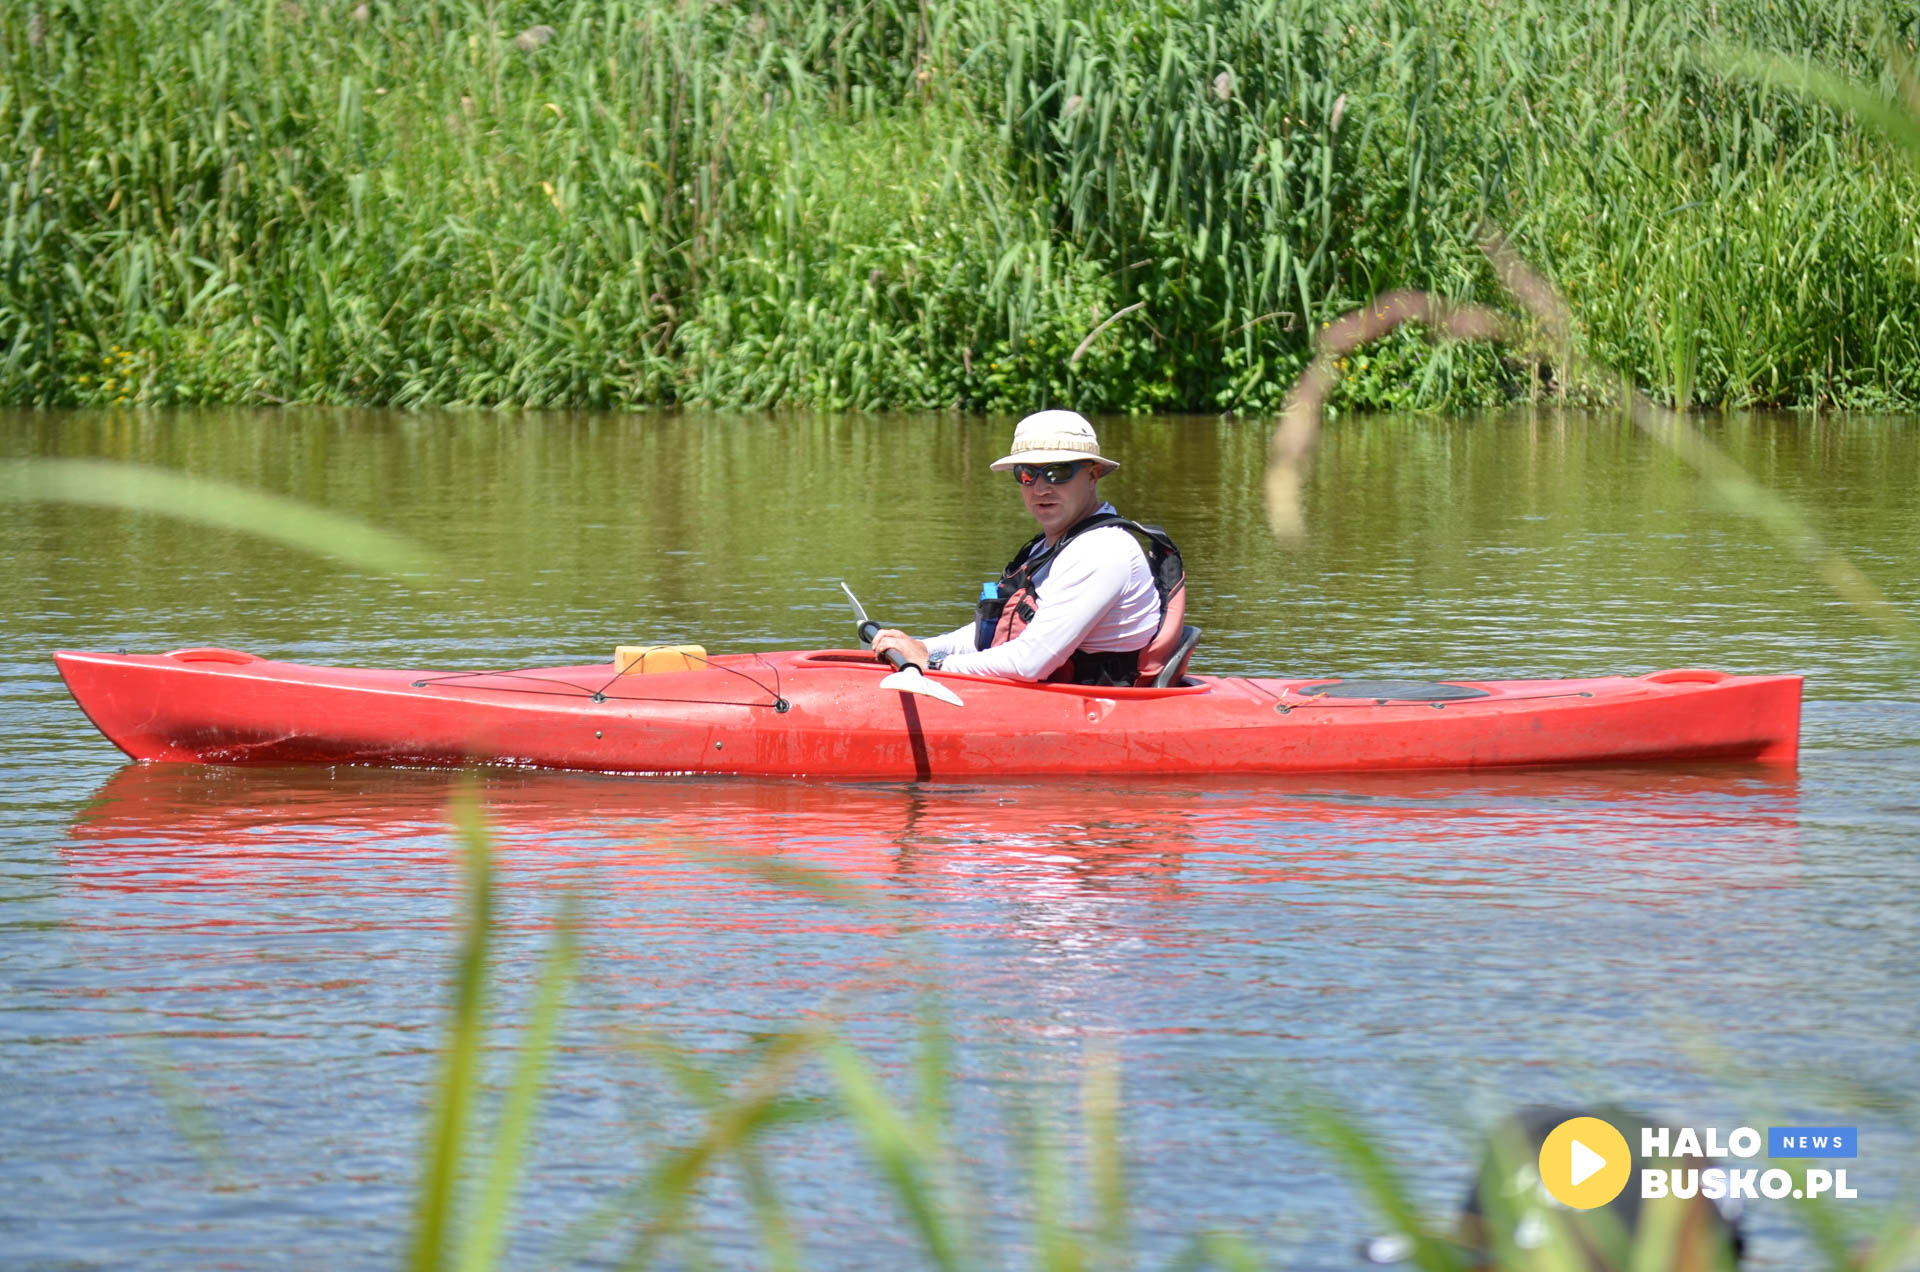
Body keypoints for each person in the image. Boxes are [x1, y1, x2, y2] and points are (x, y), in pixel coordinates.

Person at [872, 410, 1186, 687]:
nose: (1040, 488)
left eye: (1057, 472)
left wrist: (933, 665)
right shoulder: (1051, 547)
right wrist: (925, 648)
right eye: (1027, 474)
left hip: (1093, 709)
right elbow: (994, 630)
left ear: (1092, 475)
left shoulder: (1102, 551)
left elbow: (1030, 662)